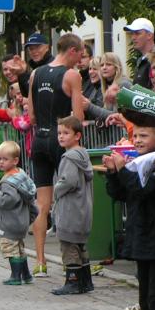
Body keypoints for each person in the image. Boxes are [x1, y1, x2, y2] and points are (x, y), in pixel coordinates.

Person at [104, 124, 155, 310]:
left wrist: (122, 170)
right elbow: (121, 193)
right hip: (139, 235)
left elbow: (142, 190)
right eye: (135, 136)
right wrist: (113, 173)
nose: (138, 140)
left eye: (144, 136)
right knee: (144, 292)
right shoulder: (137, 163)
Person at [26, 33, 86, 278]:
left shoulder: (35, 74)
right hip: (61, 141)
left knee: (42, 204)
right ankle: (70, 261)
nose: (80, 60)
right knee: (68, 201)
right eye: (80, 54)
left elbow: (31, 116)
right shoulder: (71, 75)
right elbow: (78, 118)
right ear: (72, 50)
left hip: (39, 141)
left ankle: (40, 262)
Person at [51, 116, 93, 295]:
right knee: (80, 245)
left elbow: (69, 181)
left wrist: (56, 189)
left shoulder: (69, 158)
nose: (61, 136)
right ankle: (86, 281)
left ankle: (73, 282)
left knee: (68, 246)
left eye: (66, 133)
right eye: (59, 133)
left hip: (70, 210)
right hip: (82, 209)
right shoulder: (83, 155)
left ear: (77, 136)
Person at [0, 140, 38, 285]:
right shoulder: (21, 175)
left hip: (10, 222)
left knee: (9, 248)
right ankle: (26, 275)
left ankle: (15, 276)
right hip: (21, 221)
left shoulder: (8, 182)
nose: (1, 162)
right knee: (20, 248)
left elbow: (8, 200)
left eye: (5, 159)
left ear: (15, 160)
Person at [123, 18, 155, 89]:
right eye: (132, 33)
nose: (133, 38)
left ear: (149, 35)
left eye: (137, 33)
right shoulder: (141, 61)